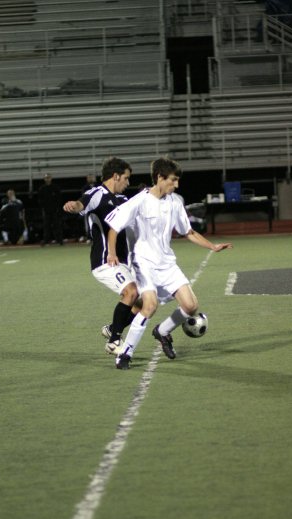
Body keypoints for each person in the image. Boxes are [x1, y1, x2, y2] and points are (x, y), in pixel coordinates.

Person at [105, 157, 233, 370]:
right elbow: (114, 228)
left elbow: (188, 232)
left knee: (191, 306)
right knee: (150, 305)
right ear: (159, 178)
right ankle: (125, 353)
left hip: (166, 263)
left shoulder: (175, 202)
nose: (177, 184)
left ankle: (162, 332)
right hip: (142, 262)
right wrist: (111, 253)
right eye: (173, 180)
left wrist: (212, 246)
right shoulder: (138, 201)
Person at [63, 157, 141, 356]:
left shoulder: (123, 200)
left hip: (123, 261)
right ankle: (114, 342)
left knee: (141, 303)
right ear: (115, 176)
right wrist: (75, 205)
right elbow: (83, 203)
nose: (128, 183)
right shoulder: (97, 194)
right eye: (126, 178)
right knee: (130, 292)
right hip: (105, 260)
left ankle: (113, 328)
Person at [38, 173, 63, 246]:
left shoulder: (55, 188)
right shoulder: (42, 188)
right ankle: (46, 241)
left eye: (48, 177)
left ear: (51, 178)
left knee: (57, 225)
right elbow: (40, 200)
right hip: (46, 211)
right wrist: (43, 208)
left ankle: (59, 241)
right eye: (46, 178)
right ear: (44, 179)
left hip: (55, 210)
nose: (47, 179)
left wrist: (57, 208)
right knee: (46, 226)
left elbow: (59, 199)